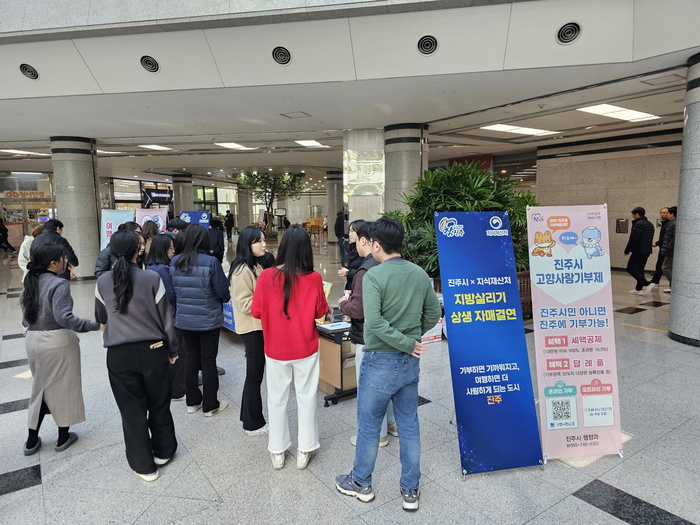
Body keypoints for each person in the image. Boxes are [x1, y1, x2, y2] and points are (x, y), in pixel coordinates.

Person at [335, 216, 441, 512]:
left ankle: (360, 482)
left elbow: (376, 323)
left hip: (380, 361)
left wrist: (406, 342)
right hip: (409, 363)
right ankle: (410, 490)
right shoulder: (418, 273)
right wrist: (413, 338)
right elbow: (433, 313)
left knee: (369, 426)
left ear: (377, 245)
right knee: (409, 425)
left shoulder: (374, 276)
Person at [95, 231, 179, 482]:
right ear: (137, 250)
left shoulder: (102, 282)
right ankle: (164, 451)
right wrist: (173, 349)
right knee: (159, 404)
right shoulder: (152, 278)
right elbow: (166, 319)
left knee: (131, 411)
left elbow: (101, 317)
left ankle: (144, 466)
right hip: (154, 350)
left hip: (119, 355)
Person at [251, 225, 328, 471]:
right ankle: (305, 449)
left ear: (283, 247)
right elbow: (321, 312)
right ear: (306, 249)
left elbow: (256, 311)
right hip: (306, 347)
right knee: (307, 396)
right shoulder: (314, 278)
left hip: (275, 348)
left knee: (276, 398)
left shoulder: (266, 277)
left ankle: (277, 451)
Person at [21, 243, 102, 456]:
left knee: (40, 388)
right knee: (64, 387)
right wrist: (95, 326)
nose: (66, 261)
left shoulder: (30, 281)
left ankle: (31, 440)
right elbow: (64, 318)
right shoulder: (59, 284)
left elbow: (25, 318)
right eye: (63, 258)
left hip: (33, 340)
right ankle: (63, 437)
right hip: (57, 341)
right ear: (53, 263)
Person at [338, 220, 397, 448]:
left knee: (369, 389)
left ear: (366, 241)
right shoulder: (387, 264)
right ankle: (391, 424)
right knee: (385, 385)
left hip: (367, 337)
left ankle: (376, 435)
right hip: (388, 336)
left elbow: (358, 309)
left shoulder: (365, 271)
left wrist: (344, 303)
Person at [170, 224, 231, 417]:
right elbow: (222, 293)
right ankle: (210, 405)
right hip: (208, 319)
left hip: (185, 320)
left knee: (190, 358)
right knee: (208, 360)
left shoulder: (175, 261)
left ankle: (192, 402)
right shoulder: (211, 262)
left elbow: (172, 293)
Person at [229, 226, 268, 436]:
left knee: (254, 375)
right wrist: (270, 300)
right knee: (254, 375)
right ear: (247, 244)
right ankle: (253, 424)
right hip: (252, 329)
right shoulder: (242, 270)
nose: (264, 244)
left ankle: (248, 417)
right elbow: (245, 304)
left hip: (258, 327)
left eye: (263, 240)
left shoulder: (255, 265)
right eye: (258, 241)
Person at [146, 234, 183, 401]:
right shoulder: (163, 270)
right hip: (169, 316)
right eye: (170, 248)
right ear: (162, 249)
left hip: (156, 318)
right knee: (175, 354)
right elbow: (171, 295)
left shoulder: (150, 267)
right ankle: (177, 390)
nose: (173, 251)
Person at [624, 206, 655, 296]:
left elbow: (633, 239)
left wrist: (627, 250)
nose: (632, 216)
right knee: (639, 269)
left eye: (633, 214)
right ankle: (639, 289)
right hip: (647, 251)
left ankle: (646, 283)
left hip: (638, 250)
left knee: (630, 268)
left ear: (637, 214)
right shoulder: (649, 224)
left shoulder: (638, 224)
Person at [338, 220, 364, 291]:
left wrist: (348, 272)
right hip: (350, 286)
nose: (349, 234)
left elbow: (364, 273)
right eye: (349, 231)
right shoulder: (351, 248)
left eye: (352, 231)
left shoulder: (364, 252)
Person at [650, 207, 669, 286]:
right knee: (660, 264)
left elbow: (665, 237)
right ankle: (655, 281)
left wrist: (656, 243)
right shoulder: (665, 223)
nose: (662, 214)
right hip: (663, 247)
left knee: (661, 265)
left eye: (664, 212)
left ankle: (655, 281)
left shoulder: (669, 224)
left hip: (666, 248)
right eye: (661, 212)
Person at [661, 206, 677, 293]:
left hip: (671, 251)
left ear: (672, 214)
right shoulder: (672, 223)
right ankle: (672, 287)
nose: (667, 215)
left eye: (668, 213)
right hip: (671, 250)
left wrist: (669, 247)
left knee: (665, 267)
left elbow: (675, 238)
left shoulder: (674, 224)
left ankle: (675, 286)